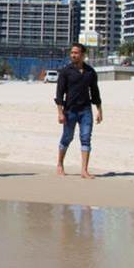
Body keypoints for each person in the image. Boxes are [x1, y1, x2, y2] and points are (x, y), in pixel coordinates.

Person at [54, 43, 102, 179]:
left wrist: (99, 110)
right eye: (72, 53)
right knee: (67, 137)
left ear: (83, 55)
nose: (73, 55)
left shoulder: (90, 72)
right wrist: (60, 112)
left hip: (86, 110)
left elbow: (95, 92)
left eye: (76, 53)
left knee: (86, 138)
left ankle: (84, 170)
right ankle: (60, 164)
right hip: (70, 110)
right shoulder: (65, 71)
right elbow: (59, 94)